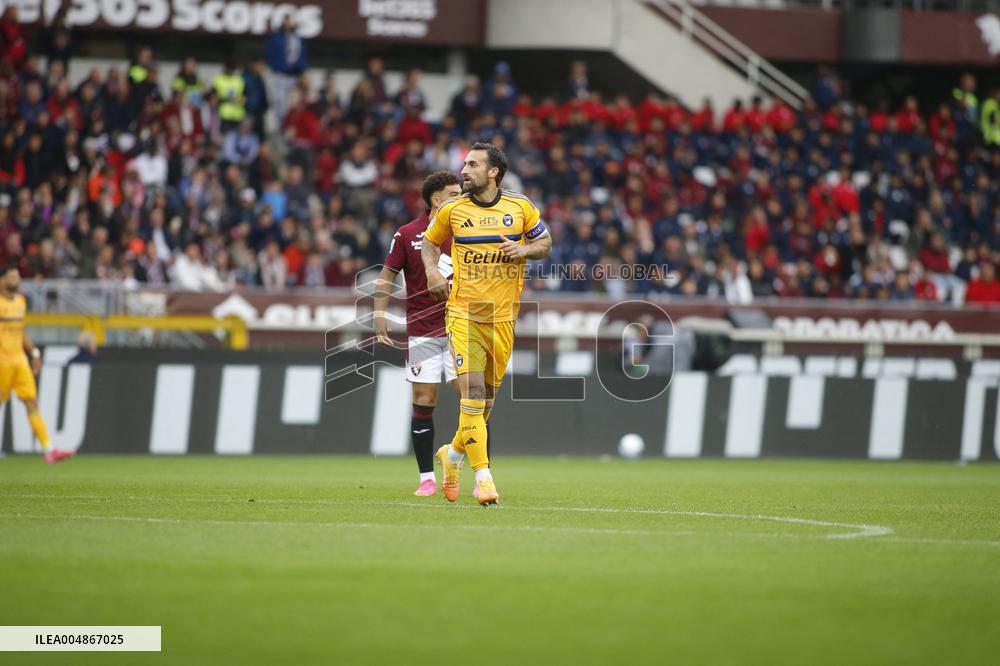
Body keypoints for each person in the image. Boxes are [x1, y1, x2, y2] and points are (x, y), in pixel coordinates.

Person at [421, 142, 552, 506]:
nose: (464, 170)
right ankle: (484, 479)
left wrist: (523, 250)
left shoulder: (520, 207)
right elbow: (429, 244)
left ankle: (452, 455)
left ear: (494, 172)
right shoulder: (452, 209)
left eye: (473, 165)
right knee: (474, 394)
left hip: (504, 318)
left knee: (485, 403)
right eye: (464, 164)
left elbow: (545, 242)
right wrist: (432, 272)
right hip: (464, 314)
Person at [373, 171, 462, 497]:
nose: (461, 198)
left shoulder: (466, 230)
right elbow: (387, 276)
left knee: (473, 400)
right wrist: (379, 313)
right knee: (424, 401)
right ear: (436, 199)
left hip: (461, 329)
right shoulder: (408, 234)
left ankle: (481, 472)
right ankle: (427, 478)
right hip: (423, 332)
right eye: (454, 194)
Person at [0, 264, 74, 463]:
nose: (17, 280)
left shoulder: (20, 301)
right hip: (1, 361)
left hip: (19, 360)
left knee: (32, 402)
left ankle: (49, 449)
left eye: (17, 277)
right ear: (2, 280)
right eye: (12, 277)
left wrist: (34, 352)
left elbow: (21, 331)